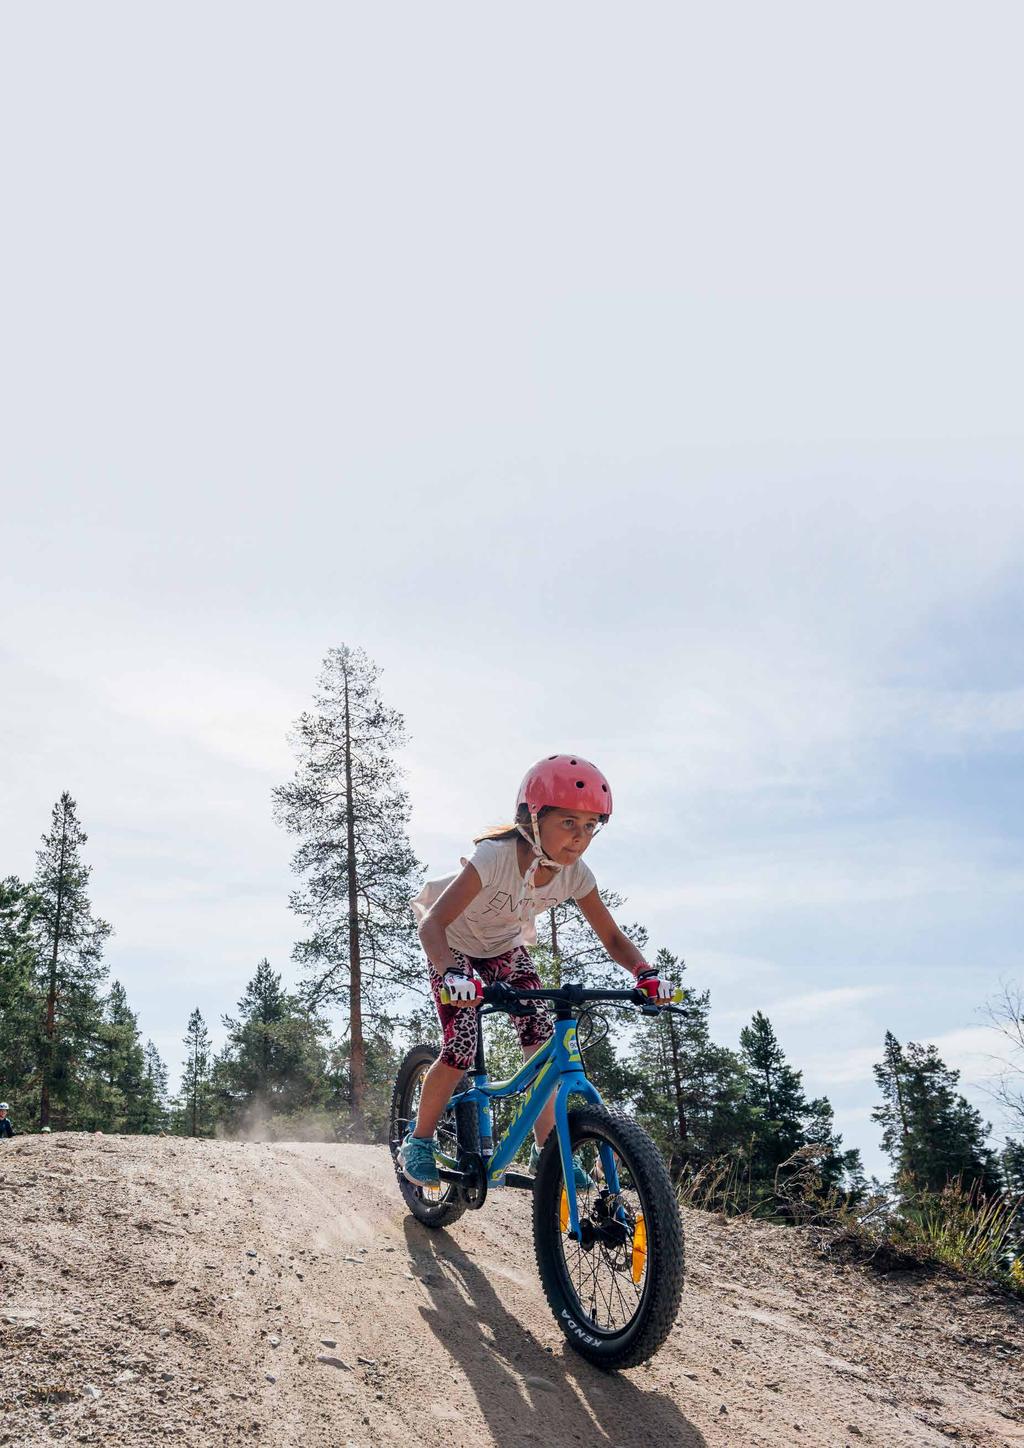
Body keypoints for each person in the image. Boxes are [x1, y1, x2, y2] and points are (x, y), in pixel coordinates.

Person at [399, 755, 677, 1189]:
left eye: (590, 826)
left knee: (541, 1044)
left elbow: (613, 938)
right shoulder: (494, 857)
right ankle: (418, 1140)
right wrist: (452, 973)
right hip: (454, 948)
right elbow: (432, 923)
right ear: (533, 816)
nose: (580, 838)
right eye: (569, 822)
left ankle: (546, 1146)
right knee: (460, 1047)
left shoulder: (575, 875)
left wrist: (646, 973)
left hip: (507, 950)